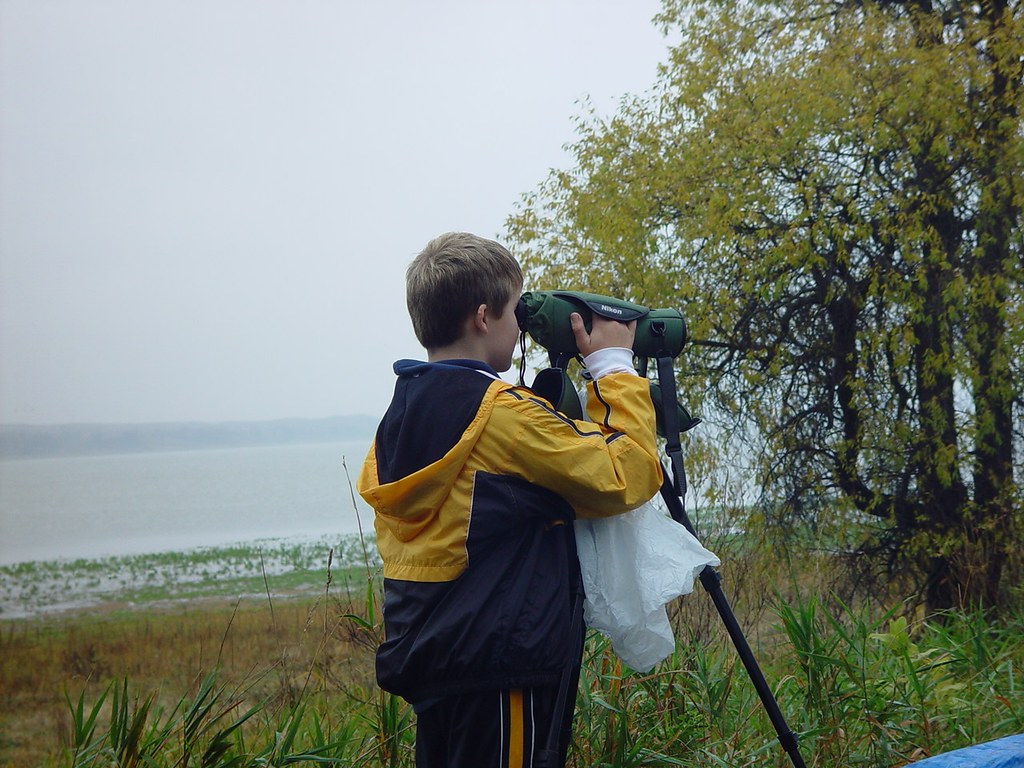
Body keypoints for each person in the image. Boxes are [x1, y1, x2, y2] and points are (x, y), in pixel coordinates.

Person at [357, 232, 663, 767]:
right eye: (513, 312)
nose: (521, 324)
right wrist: (613, 366)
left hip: (437, 662)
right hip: (501, 667)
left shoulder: (399, 419)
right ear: (482, 317)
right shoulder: (503, 416)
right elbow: (629, 474)